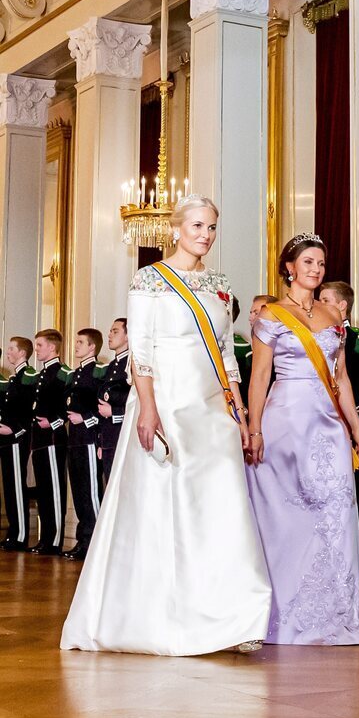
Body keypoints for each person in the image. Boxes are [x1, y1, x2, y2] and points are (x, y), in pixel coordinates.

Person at [61, 195, 271, 655]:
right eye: (197, 226)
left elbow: (226, 353)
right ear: (176, 229)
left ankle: (236, 616)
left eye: (212, 227)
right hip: (168, 402)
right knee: (171, 508)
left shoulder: (218, 283)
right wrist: (149, 409)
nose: (206, 235)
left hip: (212, 406)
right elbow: (143, 350)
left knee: (224, 505)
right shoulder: (149, 280)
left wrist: (238, 411)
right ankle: (170, 615)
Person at [245, 237, 359, 646]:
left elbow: (342, 377)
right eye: (308, 262)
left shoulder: (333, 313)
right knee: (287, 517)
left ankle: (337, 617)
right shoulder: (271, 315)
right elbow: (260, 376)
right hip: (285, 422)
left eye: (321, 262)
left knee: (336, 511)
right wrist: (255, 428)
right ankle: (283, 613)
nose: (316, 268)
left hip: (329, 426)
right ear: (289, 268)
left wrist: (355, 426)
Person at [320, 279, 359, 568]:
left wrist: (354, 411)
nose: (319, 305)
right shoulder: (315, 334)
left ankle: (354, 566)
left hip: (346, 428)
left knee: (348, 495)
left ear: (342, 305)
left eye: (325, 299)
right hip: (316, 425)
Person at [29, 330, 71, 557]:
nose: (37, 350)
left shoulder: (64, 373)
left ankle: (54, 540)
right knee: (43, 490)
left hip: (54, 439)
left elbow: (69, 404)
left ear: (52, 348)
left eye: (39, 345)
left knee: (54, 491)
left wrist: (54, 423)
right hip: (39, 440)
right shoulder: (41, 375)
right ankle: (45, 538)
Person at [64, 328, 104, 562]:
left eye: (80, 342)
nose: (76, 345)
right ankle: (83, 540)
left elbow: (102, 406)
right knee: (79, 492)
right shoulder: (76, 373)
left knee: (91, 492)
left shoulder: (98, 371)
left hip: (89, 438)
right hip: (75, 439)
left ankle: (95, 542)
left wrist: (86, 419)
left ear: (92, 347)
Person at [0, 337, 36, 551]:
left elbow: (29, 409)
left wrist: (15, 430)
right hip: (6, 438)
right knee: (9, 488)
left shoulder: (28, 376)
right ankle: (14, 532)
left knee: (16, 487)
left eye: (11, 349)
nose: (8, 353)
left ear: (22, 352)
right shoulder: (15, 378)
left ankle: (21, 534)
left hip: (16, 439)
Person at [97, 317, 130, 485]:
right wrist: (101, 442)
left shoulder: (132, 365)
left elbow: (136, 404)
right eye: (110, 331)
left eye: (115, 331)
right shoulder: (111, 366)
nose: (109, 335)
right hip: (109, 439)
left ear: (127, 336)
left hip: (124, 438)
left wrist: (114, 413)